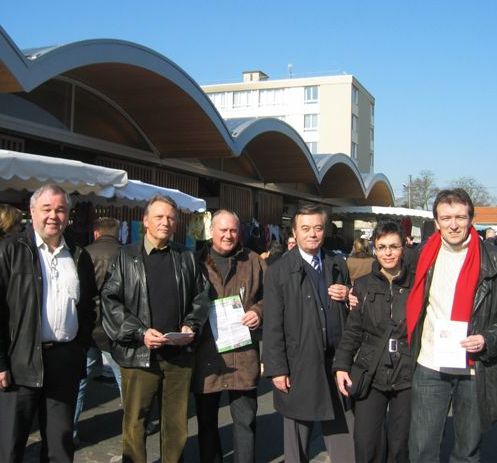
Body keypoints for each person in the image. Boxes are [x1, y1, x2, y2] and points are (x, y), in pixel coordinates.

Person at [101, 194, 210, 463]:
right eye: (159, 217)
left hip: (178, 356)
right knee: (135, 423)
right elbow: (109, 300)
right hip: (139, 355)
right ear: (145, 221)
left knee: (176, 425)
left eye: (171, 218)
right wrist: (139, 333)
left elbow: (201, 296)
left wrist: (191, 324)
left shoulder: (186, 257)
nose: (166, 222)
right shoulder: (125, 256)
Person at [0, 184, 96, 462]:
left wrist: (79, 349)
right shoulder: (10, 250)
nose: (53, 215)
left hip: (64, 362)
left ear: (68, 215)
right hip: (20, 363)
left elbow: (89, 307)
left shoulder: (79, 254)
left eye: (60, 209)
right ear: (32, 212)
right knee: (9, 448)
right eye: (47, 209)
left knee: (60, 448)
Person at [407, 188, 497, 462]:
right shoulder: (421, 255)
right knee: (422, 449)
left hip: (473, 367)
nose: (453, 224)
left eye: (460, 217)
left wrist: (487, 340)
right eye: (446, 218)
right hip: (430, 364)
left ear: (472, 219)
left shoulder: (492, 260)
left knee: (467, 452)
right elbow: (389, 280)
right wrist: (352, 294)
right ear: (436, 222)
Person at [263, 203, 351, 462]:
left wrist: (348, 295)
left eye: (318, 228)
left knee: (344, 438)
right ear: (294, 232)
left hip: (336, 363)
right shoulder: (279, 270)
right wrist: (277, 368)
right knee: (297, 442)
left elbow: (351, 313)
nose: (312, 234)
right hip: (299, 365)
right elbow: (273, 325)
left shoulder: (337, 264)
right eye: (306, 228)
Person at [334, 221, 414, 463]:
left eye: (393, 246)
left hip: (407, 372)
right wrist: (341, 366)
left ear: (404, 248)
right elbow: (353, 332)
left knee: (401, 445)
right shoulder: (363, 286)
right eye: (382, 247)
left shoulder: (418, 284)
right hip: (371, 371)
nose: (388, 253)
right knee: (366, 443)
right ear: (374, 249)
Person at [192, 209, 265, 463]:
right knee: (207, 424)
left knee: (245, 423)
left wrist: (258, 311)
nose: (228, 235)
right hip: (207, 358)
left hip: (243, 358)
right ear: (211, 231)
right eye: (223, 230)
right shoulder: (195, 261)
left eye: (233, 230)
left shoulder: (254, 261)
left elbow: (273, 299)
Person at [73, 217, 123, 442]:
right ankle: (134, 425)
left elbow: (79, 292)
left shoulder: (84, 254)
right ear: (117, 232)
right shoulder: (127, 254)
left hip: (90, 325)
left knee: (80, 380)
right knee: (125, 379)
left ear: (96, 233)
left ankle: (70, 429)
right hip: (117, 326)